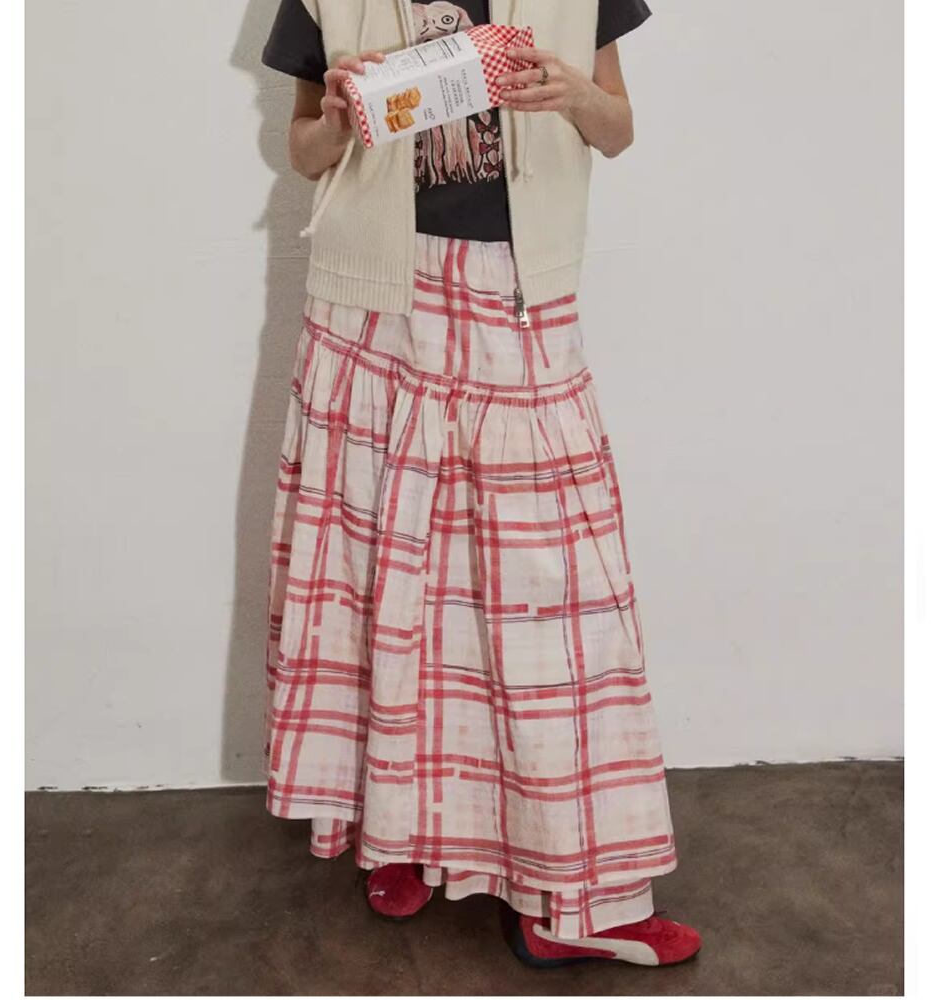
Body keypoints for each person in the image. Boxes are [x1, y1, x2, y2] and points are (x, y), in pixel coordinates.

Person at [260, 0, 701, 968]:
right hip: (372, 302)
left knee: (553, 594)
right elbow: (300, 151)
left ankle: (568, 895)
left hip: (519, 291)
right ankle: (399, 831)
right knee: (387, 577)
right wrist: (334, 121)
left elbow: (618, 129)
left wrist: (572, 93)